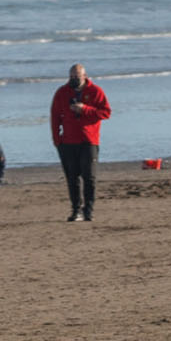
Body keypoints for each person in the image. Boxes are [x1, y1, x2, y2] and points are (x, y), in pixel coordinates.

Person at [49, 63, 112, 222]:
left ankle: (88, 210)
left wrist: (85, 109)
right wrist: (57, 139)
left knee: (89, 177)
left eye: (76, 77)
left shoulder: (95, 91)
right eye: (71, 77)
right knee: (72, 178)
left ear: (84, 76)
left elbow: (105, 112)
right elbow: (55, 117)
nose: (73, 79)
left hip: (89, 140)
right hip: (68, 142)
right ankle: (76, 209)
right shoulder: (62, 92)